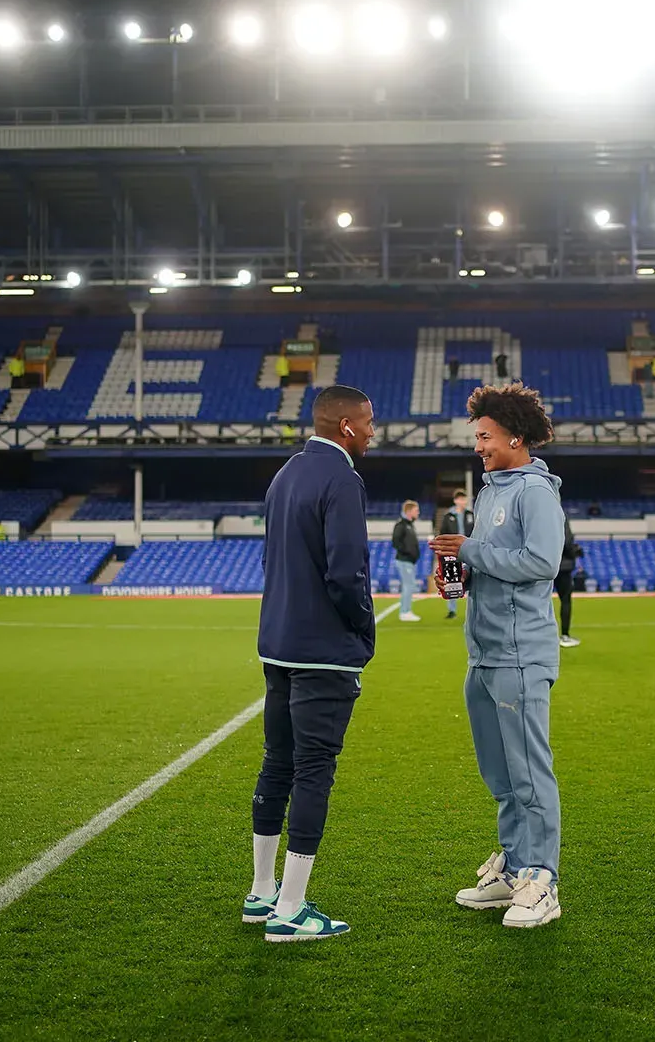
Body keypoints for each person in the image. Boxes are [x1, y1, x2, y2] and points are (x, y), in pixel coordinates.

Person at [430, 382, 566, 929]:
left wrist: (470, 550)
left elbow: (540, 561)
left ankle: (544, 878)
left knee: (530, 772)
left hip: (520, 654)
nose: (479, 446)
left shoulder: (535, 491)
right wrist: (456, 576)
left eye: (485, 436)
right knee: (500, 774)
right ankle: (514, 867)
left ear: (514, 435)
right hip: (483, 654)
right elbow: (490, 561)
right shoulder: (490, 491)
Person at [248, 385, 379, 943]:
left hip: (276, 643)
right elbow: (346, 572)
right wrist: (362, 628)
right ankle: (292, 907)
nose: (374, 430)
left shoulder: (286, 473)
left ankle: (260, 894)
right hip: (321, 650)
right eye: (369, 422)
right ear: (346, 426)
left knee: (278, 762)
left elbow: (267, 557)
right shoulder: (341, 478)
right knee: (313, 770)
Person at [439, 490, 476, 619]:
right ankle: (452, 610)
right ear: (455, 501)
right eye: (460, 499)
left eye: (464, 499)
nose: (463, 502)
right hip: (452, 550)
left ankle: (472, 610)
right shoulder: (448, 516)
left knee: (472, 577)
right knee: (451, 579)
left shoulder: (470, 514)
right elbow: (442, 533)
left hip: (469, 549)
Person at [392, 500, 422, 622]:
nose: (418, 513)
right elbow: (396, 541)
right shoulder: (401, 525)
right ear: (409, 512)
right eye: (416, 510)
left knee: (409, 586)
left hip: (409, 561)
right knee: (408, 586)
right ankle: (405, 612)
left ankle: (406, 610)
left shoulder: (409, 525)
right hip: (404, 560)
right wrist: (407, 552)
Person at [556, 515, 582, 648]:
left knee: (538, 601)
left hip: (543, 564)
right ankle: (565, 635)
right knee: (565, 600)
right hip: (563, 566)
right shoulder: (561, 516)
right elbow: (567, 542)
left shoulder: (539, 514)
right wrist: (574, 552)